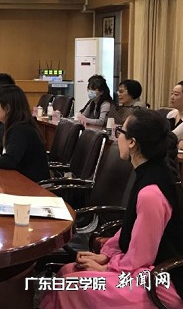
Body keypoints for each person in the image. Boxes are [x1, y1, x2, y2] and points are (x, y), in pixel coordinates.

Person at [40, 110, 183, 308]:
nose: (118, 137)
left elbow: (142, 257)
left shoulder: (151, 192)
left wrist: (107, 268)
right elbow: (130, 229)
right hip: (142, 269)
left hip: (160, 280)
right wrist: (106, 255)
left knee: (70, 285)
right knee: (67, 272)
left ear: (132, 142)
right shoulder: (148, 172)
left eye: (120, 132)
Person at [0, 84, 48, 182]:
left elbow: (9, 161)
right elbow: (0, 148)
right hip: (18, 180)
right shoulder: (11, 125)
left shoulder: (20, 129)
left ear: (7, 108)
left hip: (31, 185)